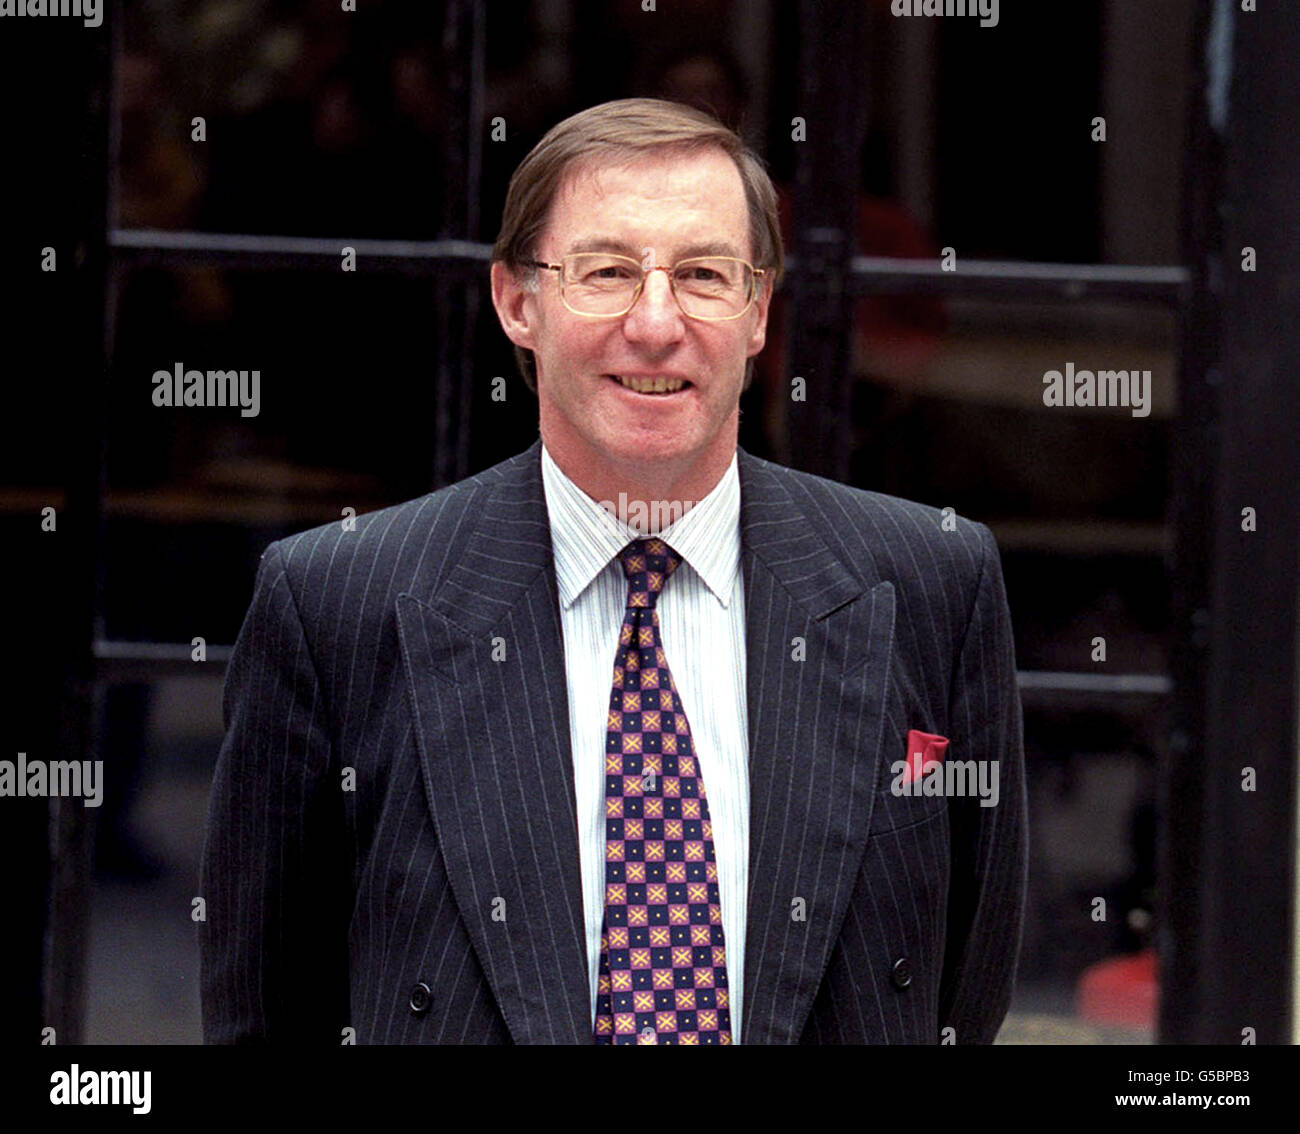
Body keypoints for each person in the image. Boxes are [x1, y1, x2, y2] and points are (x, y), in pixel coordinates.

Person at [199, 97, 1027, 1045]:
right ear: (519, 301)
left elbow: (966, 983)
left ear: (759, 310)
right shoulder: (335, 604)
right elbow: (267, 1008)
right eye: (606, 272)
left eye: (706, 275)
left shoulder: (934, 584)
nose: (657, 322)